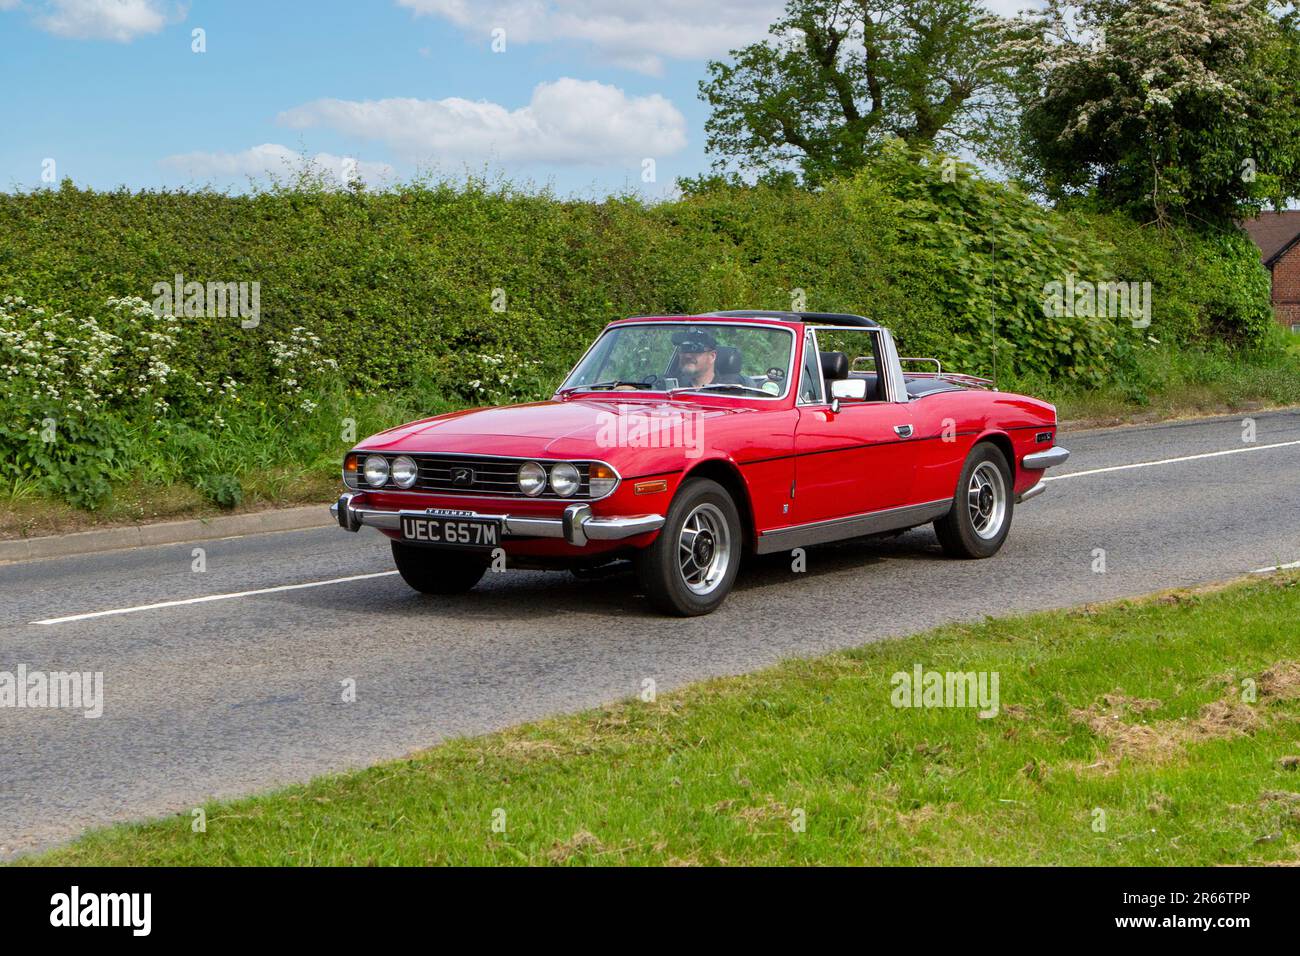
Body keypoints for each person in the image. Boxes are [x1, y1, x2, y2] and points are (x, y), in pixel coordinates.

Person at [672, 328, 744, 387]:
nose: (687, 355)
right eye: (684, 349)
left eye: (696, 350)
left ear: (712, 356)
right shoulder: (670, 387)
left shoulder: (730, 390)